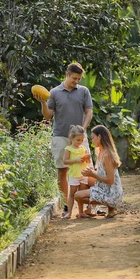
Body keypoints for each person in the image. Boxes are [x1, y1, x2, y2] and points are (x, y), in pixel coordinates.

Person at [34, 62, 93, 216]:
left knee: (87, 171)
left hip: (80, 138)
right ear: (67, 74)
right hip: (60, 136)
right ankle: (67, 208)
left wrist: (83, 130)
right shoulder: (54, 92)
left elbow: (88, 112)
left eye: (79, 79)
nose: (77, 82)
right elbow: (47, 116)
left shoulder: (84, 91)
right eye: (74, 78)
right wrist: (43, 102)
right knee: (62, 171)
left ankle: (88, 207)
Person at [75, 124, 123, 218]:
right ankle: (103, 209)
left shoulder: (107, 155)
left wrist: (93, 174)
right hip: (105, 188)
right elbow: (102, 173)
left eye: (93, 138)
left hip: (112, 193)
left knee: (77, 196)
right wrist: (91, 173)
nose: (92, 140)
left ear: (99, 137)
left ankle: (111, 206)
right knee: (86, 179)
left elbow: (110, 180)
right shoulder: (100, 152)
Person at [62, 125, 93, 219]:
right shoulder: (68, 149)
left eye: (82, 140)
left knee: (81, 193)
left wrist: (87, 159)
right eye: (78, 140)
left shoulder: (84, 148)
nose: (80, 142)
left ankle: (81, 212)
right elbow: (65, 161)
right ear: (71, 138)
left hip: (83, 174)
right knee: (72, 194)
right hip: (74, 175)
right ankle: (69, 212)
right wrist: (76, 160)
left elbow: (88, 162)